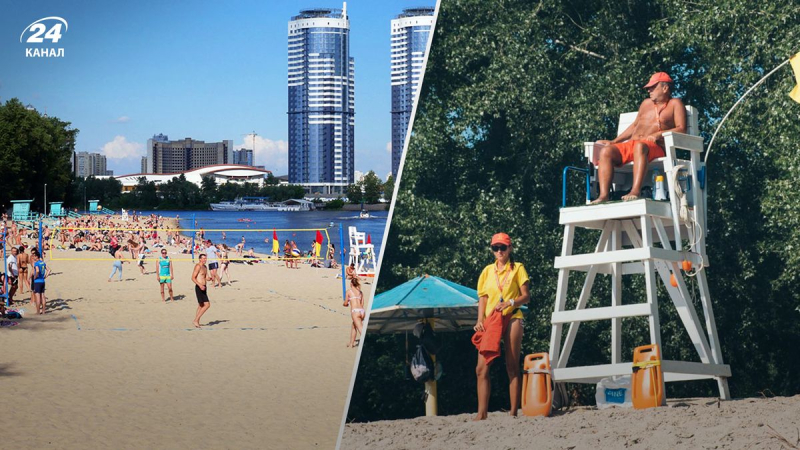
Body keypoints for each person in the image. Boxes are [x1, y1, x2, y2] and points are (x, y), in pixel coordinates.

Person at [591, 72, 686, 203]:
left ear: (665, 88)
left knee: (640, 146)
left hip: (654, 147)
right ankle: (603, 196)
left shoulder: (675, 103)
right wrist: (614, 141)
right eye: (648, 88)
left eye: (653, 87)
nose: (649, 90)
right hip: (633, 144)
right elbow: (635, 125)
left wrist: (659, 134)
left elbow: (682, 128)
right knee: (606, 151)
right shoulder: (646, 103)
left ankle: (635, 191)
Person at [473, 232, 530, 420]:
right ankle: (482, 414)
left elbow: (526, 296)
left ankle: (514, 412)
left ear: (510, 248)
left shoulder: (518, 268)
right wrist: (480, 319)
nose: (499, 251)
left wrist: (511, 302)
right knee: (481, 368)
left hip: (512, 316)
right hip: (492, 320)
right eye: (495, 248)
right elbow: (483, 297)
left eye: (503, 247)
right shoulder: (487, 271)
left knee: (512, 366)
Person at [344, 278, 365, 348]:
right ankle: (351, 343)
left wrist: (345, 304)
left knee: (360, 328)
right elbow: (362, 304)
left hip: (355, 312)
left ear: (351, 284)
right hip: (362, 311)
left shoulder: (349, 292)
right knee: (354, 326)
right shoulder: (360, 292)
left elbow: (345, 303)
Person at [192, 253, 211, 328]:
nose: (204, 260)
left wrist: (209, 279)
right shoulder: (198, 266)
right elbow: (193, 278)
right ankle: (195, 320)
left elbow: (205, 277)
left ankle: (197, 321)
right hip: (199, 287)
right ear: (200, 259)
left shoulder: (205, 267)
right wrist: (200, 285)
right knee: (207, 305)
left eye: (205, 258)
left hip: (204, 287)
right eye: (203, 258)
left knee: (201, 305)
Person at [31, 250, 50, 315]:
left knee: (38, 297)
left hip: (37, 281)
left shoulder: (36, 263)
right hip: (42, 281)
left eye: (34, 256)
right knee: (43, 296)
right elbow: (49, 270)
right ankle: (44, 311)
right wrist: (45, 276)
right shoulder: (43, 263)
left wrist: (35, 277)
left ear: (36, 256)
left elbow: (37, 270)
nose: (33, 258)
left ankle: (38, 311)